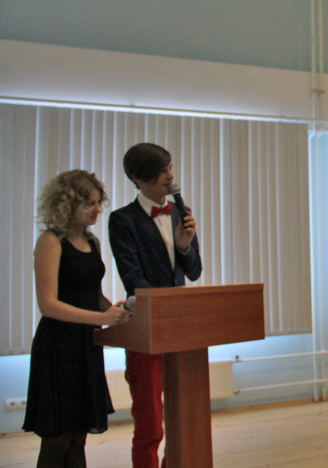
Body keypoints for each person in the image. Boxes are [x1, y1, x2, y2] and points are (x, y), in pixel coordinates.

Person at [23, 170, 131, 467]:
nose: (97, 209)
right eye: (89, 203)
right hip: (58, 346)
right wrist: (101, 316)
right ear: (67, 204)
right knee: (58, 437)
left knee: (78, 436)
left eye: (98, 202)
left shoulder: (92, 241)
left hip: (86, 344)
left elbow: (92, 294)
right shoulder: (50, 241)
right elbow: (48, 305)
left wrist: (118, 311)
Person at [108, 142, 202, 468]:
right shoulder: (122, 220)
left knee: (182, 420)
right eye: (161, 171)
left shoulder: (180, 211)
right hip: (146, 325)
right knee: (150, 423)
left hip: (179, 326)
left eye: (170, 167)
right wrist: (163, 310)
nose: (170, 176)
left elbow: (194, 272)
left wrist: (184, 246)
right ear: (138, 177)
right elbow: (133, 277)